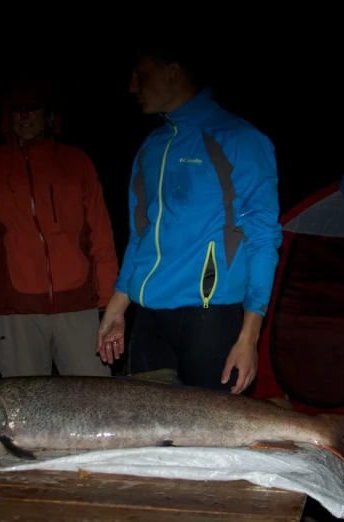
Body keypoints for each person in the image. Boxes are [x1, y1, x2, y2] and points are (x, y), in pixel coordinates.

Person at [96, 44, 283, 394]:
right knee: (149, 434)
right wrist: (117, 307)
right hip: (148, 320)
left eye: (142, 74)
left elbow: (263, 238)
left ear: (172, 73)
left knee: (212, 441)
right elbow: (140, 235)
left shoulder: (239, 138)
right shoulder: (152, 146)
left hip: (209, 318)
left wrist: (248, 338)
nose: (132, 86)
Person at [0, 79, 119, 378]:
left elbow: (102, 238)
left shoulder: (76, 161)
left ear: (49, 114)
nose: (26, 115)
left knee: (95, 403)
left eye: (33, 107)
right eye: (17, 109)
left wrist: (109, 304)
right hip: (14, 313)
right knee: (25, 411)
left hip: (80, 307)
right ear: (6, 116)